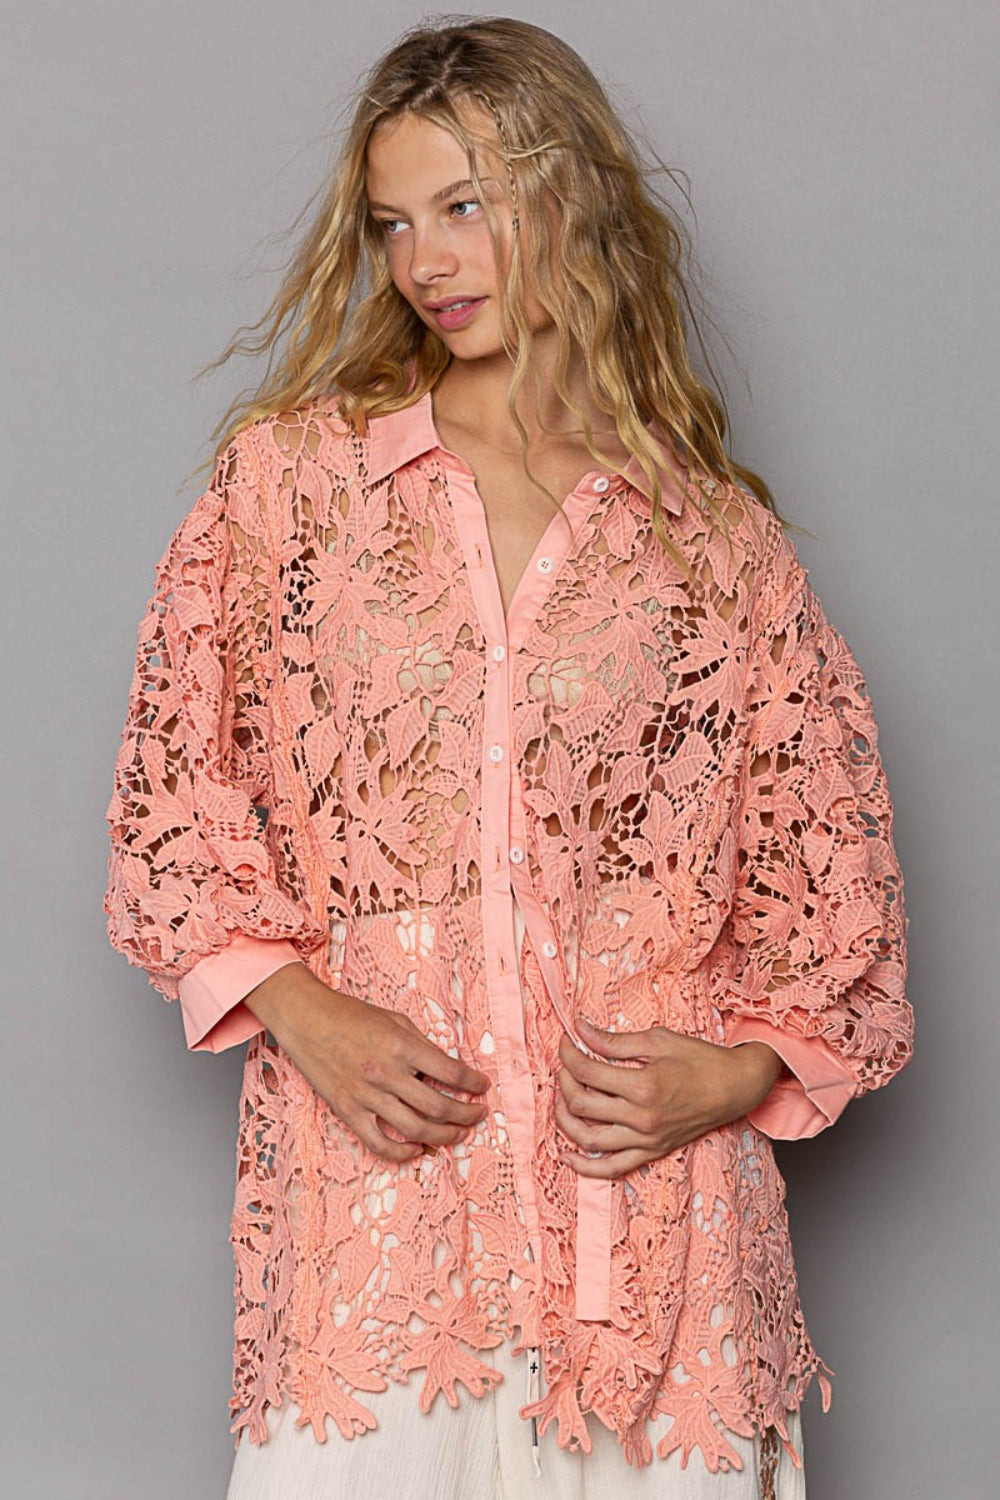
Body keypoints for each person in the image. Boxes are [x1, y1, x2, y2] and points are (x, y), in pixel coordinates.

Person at [103, 16, 914, 1499]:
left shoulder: (713, 544)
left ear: (568, 195)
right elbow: (172, 803)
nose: (427, 261)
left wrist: (736, 1072)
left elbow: (835, 885)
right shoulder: (292, 490)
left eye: (466, 204)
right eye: (394, 222)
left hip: (659, 1232)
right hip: (382, 1220)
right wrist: (302, 1010)